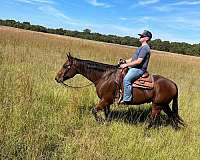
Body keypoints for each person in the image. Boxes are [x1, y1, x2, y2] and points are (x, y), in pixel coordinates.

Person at [120, 30, 152, 104]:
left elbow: (138, 61)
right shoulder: (141, 47)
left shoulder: (145, 48)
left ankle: (127, 99)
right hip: (134, 67)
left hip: (138, 69)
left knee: (126, 80)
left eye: (142, 36)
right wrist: (125, 61)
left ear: (147, 38)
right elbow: (133, 59)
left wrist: (126, 65)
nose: (140, 37)